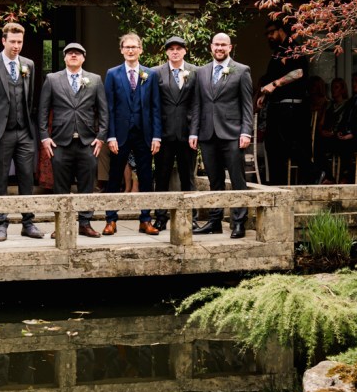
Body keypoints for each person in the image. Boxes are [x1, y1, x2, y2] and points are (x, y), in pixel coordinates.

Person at [0, 22, 43, 241]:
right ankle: (0, 224)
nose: (16, 46)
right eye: (12, 41)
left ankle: (28, 223)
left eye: (19, 42)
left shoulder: (28, 64)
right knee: (0, 178)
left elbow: (30, 96)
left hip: (24, 131)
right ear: (3, 41)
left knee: (26, 177)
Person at [38, 42, 108, 238]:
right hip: (60, 142)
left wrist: (101, 137)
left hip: (87, 142)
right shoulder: (52, 79)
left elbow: (103, 111)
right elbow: (43, 110)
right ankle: (61, 225)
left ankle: (85, 223)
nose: (74, 55)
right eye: (70, 53)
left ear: (84, 58)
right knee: (60, 185)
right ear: (65, 58)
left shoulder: (94, 80)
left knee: (87, 185)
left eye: (78, 53)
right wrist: (45, 137)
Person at [190, 33, 253, 239]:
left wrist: (246, 132)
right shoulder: (201, 72)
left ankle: (238, 222)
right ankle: (215, 221)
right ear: (211, 47)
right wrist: (194, 132)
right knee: (213, 180)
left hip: (233, 134)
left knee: (237, 179)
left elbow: (246, 105)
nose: (219, 48)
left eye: (223, 45)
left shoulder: (241, 70)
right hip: (208, 134)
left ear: (230, 47)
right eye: (216, 44)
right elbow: (198, 105)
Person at [103, 33, 162, 236]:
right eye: (126, 47)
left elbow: (155, 107)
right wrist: (110, 136)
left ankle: (145, 219)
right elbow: (108, 108)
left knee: (146, 177)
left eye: (134, 47)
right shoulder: (112, 74)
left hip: (144, 134)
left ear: (140, 50)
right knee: (115, 177)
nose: (130, 50)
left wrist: (156, 136)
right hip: (120, 135)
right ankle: (111, 219)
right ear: (121, 50)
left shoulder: (150, 75)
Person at [256, 19, 311, 184]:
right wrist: (264, 95)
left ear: (281, 30)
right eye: (267, 34)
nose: (269, 37)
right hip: (277, 107)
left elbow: (299, 73)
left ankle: (314, 177)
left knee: (296, 148)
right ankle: (276, 187)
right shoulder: (277, 52)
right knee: (273, 148)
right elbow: (270, 77)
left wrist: (275, 84)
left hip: (292, 107)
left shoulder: (293, 48)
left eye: (271, 32)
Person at [152, 36, 198, 231]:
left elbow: (197, 105)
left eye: (179, 48)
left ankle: (190, 216)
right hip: (164, 133)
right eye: (171, 49)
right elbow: (153, 105)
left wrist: (195, 131)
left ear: (185, 51)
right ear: (167, 52)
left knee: (188, 176)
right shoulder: (156, 73)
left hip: (188, 135)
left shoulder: (195, 72)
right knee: (161, 176)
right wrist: (155, 134)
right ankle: (161, 216)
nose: (175, 52)